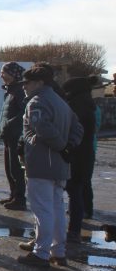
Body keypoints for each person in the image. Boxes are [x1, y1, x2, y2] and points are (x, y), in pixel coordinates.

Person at [17, 66, 83, 267]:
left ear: (39, 82)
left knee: (42, 210)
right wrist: (68, 146)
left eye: (26, 83)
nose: (24, 87)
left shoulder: (37, 101)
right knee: (56, 209)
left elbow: (43, 128)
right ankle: (58, 251)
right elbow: (78, 128)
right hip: (59, 165)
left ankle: (41, 253)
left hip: (42, 164)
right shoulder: (61, 102)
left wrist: (62, 146)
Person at [62, 76, 97, 243]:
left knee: (74, 191)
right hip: (85, 153)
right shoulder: (87, 104)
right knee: (79, 188)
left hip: (77, 154)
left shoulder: (78, 107)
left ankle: (74, 230)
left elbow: (74, 130)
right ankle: (78, 223)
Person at [0, 62, 28, 210]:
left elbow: (23, 113)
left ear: (13, 73)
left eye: (4, 72)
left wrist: (9, 125)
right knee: (9, 168)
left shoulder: (19, 91)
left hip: (15, 136)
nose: (1, 75)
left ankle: (19, 198)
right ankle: (13, 194)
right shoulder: (10, 91)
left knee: (16, 169)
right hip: (8, 135)